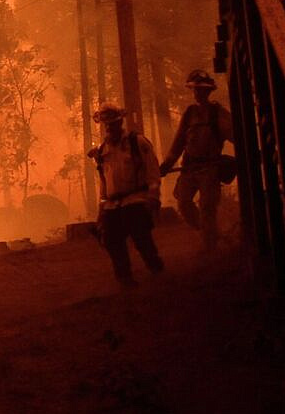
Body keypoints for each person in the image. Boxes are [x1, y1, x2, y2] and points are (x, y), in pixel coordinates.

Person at [88, 105, 165, 288]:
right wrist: (102, 209)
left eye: (113, 123)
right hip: (112, 205)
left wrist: (153, 196)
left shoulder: (137, 143)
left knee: (141, 239)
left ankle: (156, 269)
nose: (109, 128)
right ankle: (125, 279)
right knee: (111, 241)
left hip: (136, 199)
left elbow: (152, 170)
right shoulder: (102, 151)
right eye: (106, 124)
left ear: (120, 122)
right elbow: (104, 182)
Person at [159, 69, 235, 251]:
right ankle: (209, 232)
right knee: (184, 203)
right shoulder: (190, 113)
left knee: (208, 207)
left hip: (210, 168)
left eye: (201, 90)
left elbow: (235, 135)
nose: (198, 93)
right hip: (189, 167)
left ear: (209, 91)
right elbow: (178, 143)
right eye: (195, 90)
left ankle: (210, 246)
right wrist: (166, 165)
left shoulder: (219, 113)